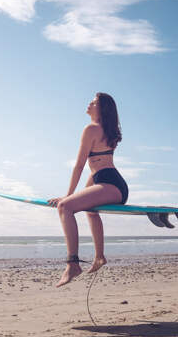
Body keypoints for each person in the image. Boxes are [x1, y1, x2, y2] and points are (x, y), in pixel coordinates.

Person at [48, 92, 128, 288]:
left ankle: (73, 264)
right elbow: (97, 167)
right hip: (110, 181)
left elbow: (79, 165)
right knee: (90, 211)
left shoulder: (91, 129)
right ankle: (99, 257)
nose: (89, 103)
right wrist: (77, 196)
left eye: (93, 102)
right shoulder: (106, 129)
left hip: (109, 183)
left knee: (65, 207)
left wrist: (67, 196)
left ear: (102, 109)